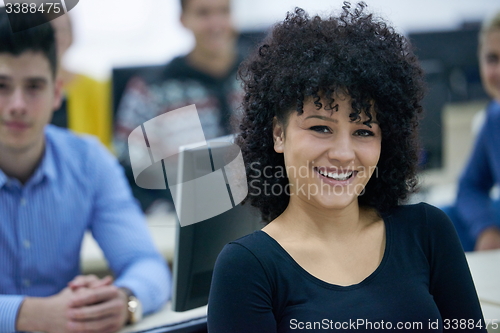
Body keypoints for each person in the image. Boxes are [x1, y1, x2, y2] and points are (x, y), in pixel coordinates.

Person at [208, 3, 486, 332]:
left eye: (364, 132)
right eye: (320, 128)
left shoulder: (427, 232)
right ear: (278, 134)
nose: (343, 153)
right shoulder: (247, 268)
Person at [0, 10, 170, 333]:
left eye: (34, 86)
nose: (17, 104)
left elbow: (148, 265)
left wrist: (123, 300)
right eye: (2, 85)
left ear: (56, 93)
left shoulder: (89, 161)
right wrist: (25, 314)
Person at [114, 0, 242, 212]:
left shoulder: (261, 78)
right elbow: (127, 172)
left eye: (224, 11)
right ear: (183, 20)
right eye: (203, 14)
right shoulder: (151, 90)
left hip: (259, 212)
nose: (216, 23)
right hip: (181, 215)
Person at [443, 11, 500, 252]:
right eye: (492, 59)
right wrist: (486, 228)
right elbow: (470, 186)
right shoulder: (494, 119)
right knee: (438, 220)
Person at [50, 14, 112, 149]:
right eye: (49, 30)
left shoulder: (95, 87)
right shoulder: (14, 88)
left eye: (62, 30)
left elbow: (106, 144)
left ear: (71, 36)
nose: (56, 37)